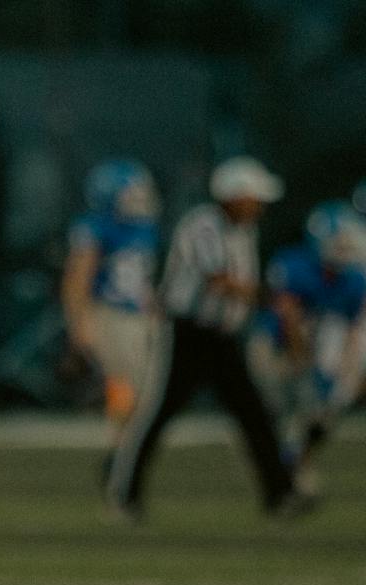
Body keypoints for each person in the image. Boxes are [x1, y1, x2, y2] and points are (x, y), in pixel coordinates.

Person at [105, 157, 307, 520]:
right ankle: (124, 492)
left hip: (224, 336)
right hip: (189, 334)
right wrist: (272, 297)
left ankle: (280, 494)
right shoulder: (203, 225)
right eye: (253, 196)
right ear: (233, 196)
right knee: (159, 412)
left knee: (254, 414)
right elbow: (219, 281)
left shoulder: (243, 231)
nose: (259, 205)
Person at [249, 200, 366, 490]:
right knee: (274, 410)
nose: (344, 248)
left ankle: (295, 467)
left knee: (322, 411)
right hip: (274, 345)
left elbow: (352, 330)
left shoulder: (354, 280)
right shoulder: (294, 266)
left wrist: (349, 370)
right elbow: (288, 320)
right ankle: (278, 472)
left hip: (316, 348)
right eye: (338, 241)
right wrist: (303, 361)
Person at [61, 159, 161, 446]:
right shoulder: (95, 228)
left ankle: (127, 445)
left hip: (138, 316)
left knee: (148, 389)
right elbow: (77, 279)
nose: (139, 199)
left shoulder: (143, 228)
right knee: (130, 384)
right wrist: (79, 325)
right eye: (132, 193)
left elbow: (141, 280)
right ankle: (121, 445)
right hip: (109, 313)